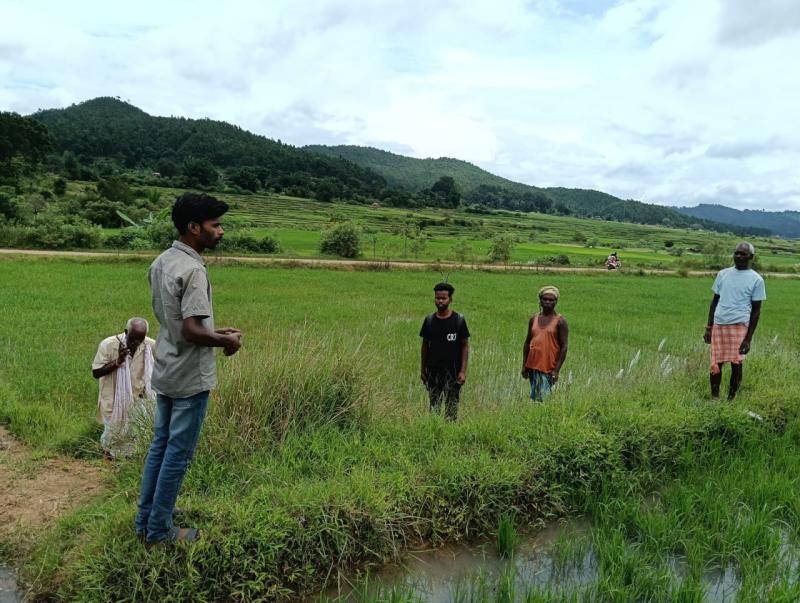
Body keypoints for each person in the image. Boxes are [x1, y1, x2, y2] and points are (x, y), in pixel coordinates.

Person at [135, 192, 242, 546]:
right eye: (215, 225)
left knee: (160, 447)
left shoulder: (162, 261)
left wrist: (215, 331)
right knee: (177, 455)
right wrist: (227, 341)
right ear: (194, 228)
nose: (221, 231)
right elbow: (193, 331)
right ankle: (159, 531)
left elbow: (177, 323)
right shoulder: (193, 269)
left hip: (167, 368)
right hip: (190, 376)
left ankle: (147, 518)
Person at [703, 242, 765, 400]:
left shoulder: (757, 280)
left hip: (739, 326)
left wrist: (748, 339)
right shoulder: (723, 274)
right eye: (736, 253)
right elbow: (714, 301)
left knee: (736, 364)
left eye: (743, 254)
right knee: (716, 362)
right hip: (719, 324)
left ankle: (731, 400)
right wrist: (709, 327)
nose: (738, 256)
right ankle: (714, 398)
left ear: (751, 257)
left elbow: (756, 311)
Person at [91, 317, 156, 458]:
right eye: (133, 339)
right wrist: (118, 361)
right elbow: (96, 372)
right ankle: (109, 458)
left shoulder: (150, 346)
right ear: (126, 332)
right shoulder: (108, 345)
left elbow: (160, 368)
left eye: (140, 340)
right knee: (113, 434)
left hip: (137, 400)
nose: (136, 343)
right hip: (112, 399)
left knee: (136, 434)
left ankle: (128, 462)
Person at [419, 282, 470, 420]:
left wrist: (462, 371)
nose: (440, 301)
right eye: (437, 298)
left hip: (453, 374)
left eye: (443, 298)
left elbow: (465, 346)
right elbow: (424, 346)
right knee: (434, 408)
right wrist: (423, 370)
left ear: (450, 299)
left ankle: (450, 431)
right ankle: (434, 430)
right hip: (433, 373)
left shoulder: (458, 321)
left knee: (451, 410)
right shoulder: (429, 321)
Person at [521, 286, 569, 401]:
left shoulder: (560, 321)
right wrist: (524, 365)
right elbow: (527, 343)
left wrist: (556, 370)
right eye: (545, 299)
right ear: (540, 301)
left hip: (548, 367)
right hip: (532, 366)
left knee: (543, 399)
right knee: (535, 398)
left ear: (556, 302)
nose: (547, 302)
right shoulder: (534, 319)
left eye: (551, 300)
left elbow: (564, 347)